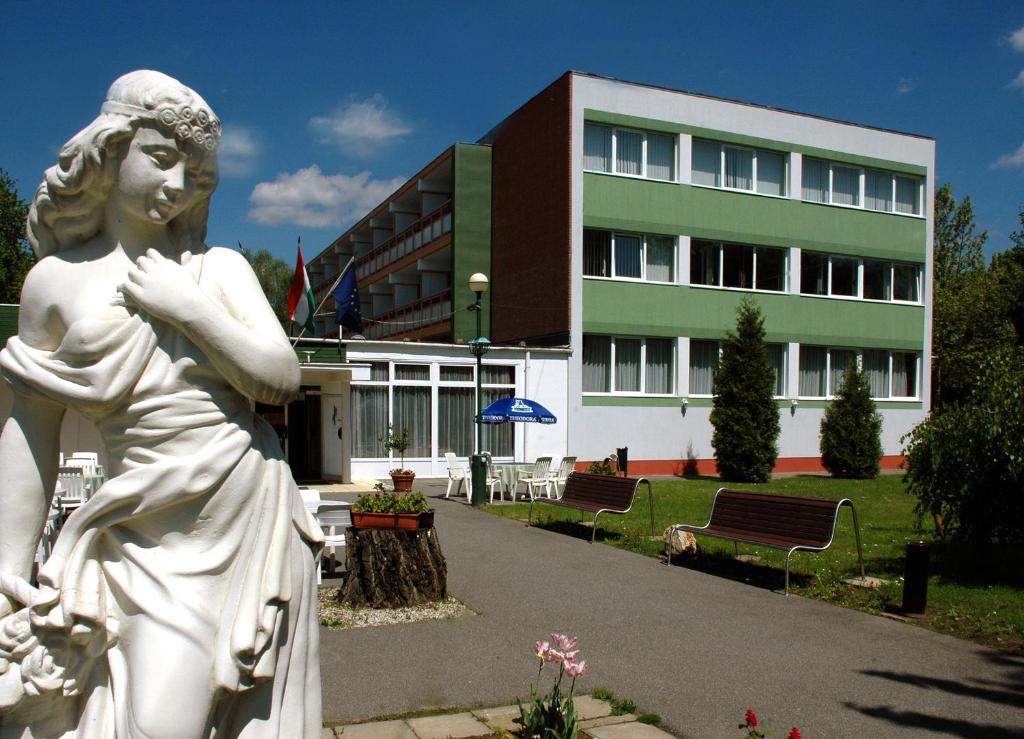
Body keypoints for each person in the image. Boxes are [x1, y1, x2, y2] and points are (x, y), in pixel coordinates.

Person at [0, 70, 322, 738]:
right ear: (112, 148)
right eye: (162, 158)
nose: (177, 187)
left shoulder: (215, 270)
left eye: (196, 176)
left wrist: (191, 309)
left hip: (242, 516)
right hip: (140, 535)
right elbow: (31, 435)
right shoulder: (53, 285)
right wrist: (6, 565)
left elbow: (282, 376)